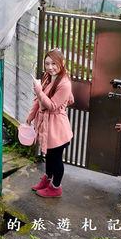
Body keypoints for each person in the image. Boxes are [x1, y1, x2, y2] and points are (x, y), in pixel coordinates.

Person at [27, 49, 74, 198]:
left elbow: (52, 105)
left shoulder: (65, 84)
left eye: (54, 63)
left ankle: (56, 187)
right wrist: (30, 117)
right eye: (47, 63)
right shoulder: (48, 77)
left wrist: (39, 91)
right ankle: (47, 180)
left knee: (56, 159)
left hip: (58, 129)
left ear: (62, 63)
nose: (50, 67)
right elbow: (38, 100)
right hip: (47, 125)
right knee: (49, 156)